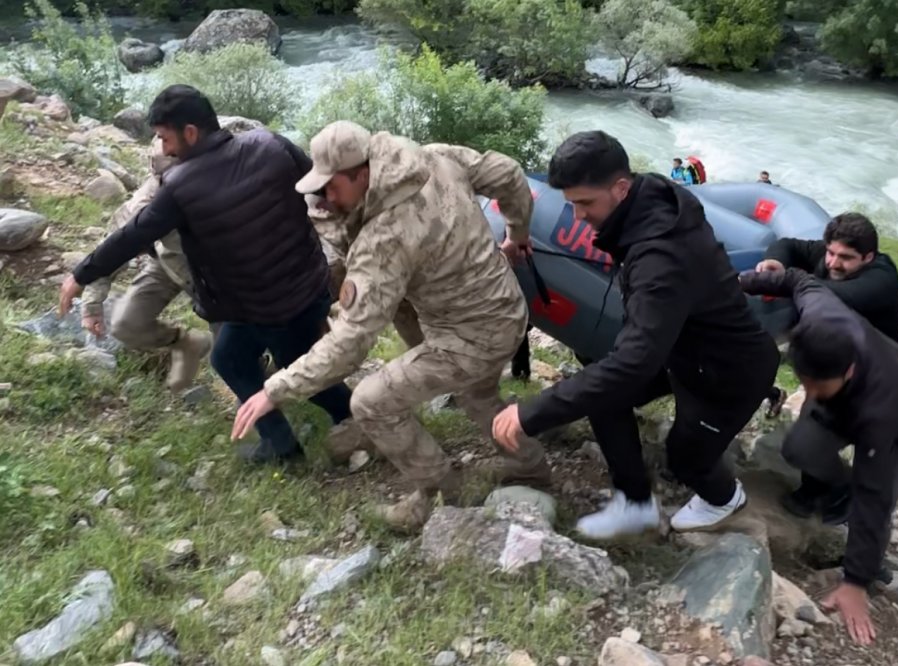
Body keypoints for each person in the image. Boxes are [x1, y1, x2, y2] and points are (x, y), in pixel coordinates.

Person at [229, 121, 551, 531]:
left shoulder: (384, 239)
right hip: (506, 307)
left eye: (333, 187)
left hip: (471, 338)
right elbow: (507, 172)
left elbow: (351, 341)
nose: (327, 198)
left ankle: (439, 493)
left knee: (370, 402)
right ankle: (529, 466)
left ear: (363, 173)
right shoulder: (431, 157)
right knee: (478, 394)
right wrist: (517, 233)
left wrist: (274, 390)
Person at [492, 130, 780, 539]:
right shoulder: (653, 196)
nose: (578, 216)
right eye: (571, 204)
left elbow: (633, 362)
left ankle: (725, 499)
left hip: (729, 371)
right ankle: (635, 504)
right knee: (605, 396)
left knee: (685, 460)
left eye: (585, 203)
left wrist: (530, 414)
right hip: (680, 346)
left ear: (621, 188)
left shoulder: (660, 258)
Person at [58, 84, 353, 465]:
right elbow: (320, 187)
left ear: (191, 132)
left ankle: (355, 422)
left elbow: (133, 235)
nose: (165, 150)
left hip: (268, 306)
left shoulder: (181, 187)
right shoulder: (271, 144)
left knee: (303, 374)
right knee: (229, 356)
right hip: (307, 287)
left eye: (166, 138)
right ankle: (282, 444)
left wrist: (80, 275)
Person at [741, 267, 898, 646]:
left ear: (848, 370)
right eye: (804, 383)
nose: (809, 393)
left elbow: (874, 495)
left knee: (876, 495)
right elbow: (798, 280)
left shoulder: (879, 410)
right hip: (844, 403)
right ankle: (833, 489)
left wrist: (854, 582)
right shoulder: (821, 313)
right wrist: (740, 282)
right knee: (799, 448)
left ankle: (867, 568)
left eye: (818, 386)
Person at [79, 136, 211, 393]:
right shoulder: (144, 203)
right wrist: (91, 305)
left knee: (232, 352)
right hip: (169, 264)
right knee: (127, 324)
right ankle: (187, 343)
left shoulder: (225, 191)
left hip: (221, 273)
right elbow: (110, 248)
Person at [757, 213, 898, 420]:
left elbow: (827, 294)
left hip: (874, 369)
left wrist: (782, 280)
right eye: (831, 253)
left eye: (845, 257)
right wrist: (775, 261)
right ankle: (770, 395)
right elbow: (787, 245)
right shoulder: (830, 255)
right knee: (752, 343)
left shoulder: (881, 280)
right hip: (832, 349)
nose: (833, 263)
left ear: (868, 257)